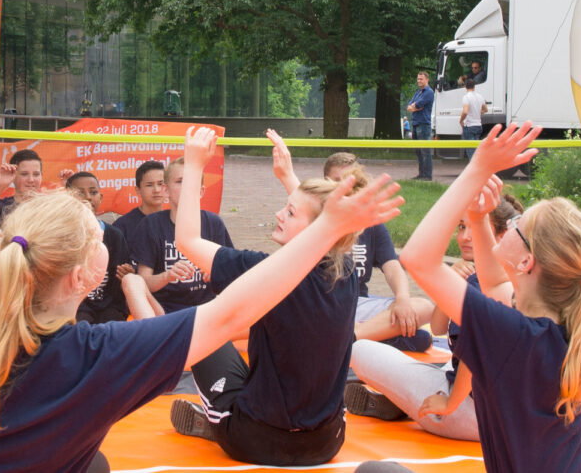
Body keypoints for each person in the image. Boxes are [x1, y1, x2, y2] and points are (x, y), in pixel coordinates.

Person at [0, 128, 402, 473]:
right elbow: (230, 313)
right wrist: (330, 228)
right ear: (86, 275)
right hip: (315, 435)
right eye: (97, 232)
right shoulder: (102, 357)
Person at [360, 122, 581, 472]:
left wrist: (477, 168)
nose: (512, 222)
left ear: (526, 262)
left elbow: (417, 258)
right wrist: (478, 219)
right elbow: (494, 283)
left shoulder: (514, 334)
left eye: (518, 225)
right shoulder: (553, 324)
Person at [165, 132, 403, 467]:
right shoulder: (346, 271)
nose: (279, 214)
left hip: (257, 441)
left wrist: (193, 166)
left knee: (204, 333)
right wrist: (288, 177)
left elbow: (188, 240)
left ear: (313, 227)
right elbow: (324, 225)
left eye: (290, 212)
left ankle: (219, 424)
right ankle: (225, 417)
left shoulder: (266, 271)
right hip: (327, 442)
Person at [347, 194, 524, 442]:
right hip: (516, 418)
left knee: (360, 350)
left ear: (502, 235)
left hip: (471, 415)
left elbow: (477, 354)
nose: (465, 237)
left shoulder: (489, 286)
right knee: (440, 349)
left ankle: (406, 403)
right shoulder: (523, 279)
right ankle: (404, 400)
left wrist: (450, 403)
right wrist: (452, 283)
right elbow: (439, 326)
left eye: (475, 228)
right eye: (461, 227)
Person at [267, 131, 431, 348]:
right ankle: (367, 337)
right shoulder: (318, 219)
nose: (343, 188)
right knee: (417, 339)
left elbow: (392, 266)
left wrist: (402, 298)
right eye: (336, 182)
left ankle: (352, 336)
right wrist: (286, 174)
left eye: (349, 183)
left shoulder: (370, 224)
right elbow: (302, 201)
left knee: (423, 308)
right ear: (325, 184)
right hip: (320, 307)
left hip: (357, 307)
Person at [121, 157, 233, 317]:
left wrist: (217, 274)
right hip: (164, 313)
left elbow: (232, 275)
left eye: (192, 182)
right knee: (131, 281)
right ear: (166, 190)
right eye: (180, 181)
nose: (187, 187)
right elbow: (145, 282)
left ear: (201, 191)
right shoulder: (151, 224)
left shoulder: (213, 223)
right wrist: (168, 275)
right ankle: (155, 331)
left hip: (206, 311)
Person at [67, 171, 133, 324]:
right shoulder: (63, 234)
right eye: (80, 193)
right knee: (81, 324)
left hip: (109, 305)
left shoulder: (114, 235)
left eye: (93, 192)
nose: (88, 197)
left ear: (101, 197)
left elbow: (119, 279)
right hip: (76, 305)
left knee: (112, 325)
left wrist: (128, 273)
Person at [0, 148, 44, 229]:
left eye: (36, 174)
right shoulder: (2, 206)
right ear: (13, 175)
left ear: (42, 176)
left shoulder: (49, 206)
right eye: (24, 174)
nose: (31, 180)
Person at [112, 159, 167, 244]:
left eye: (160, 184)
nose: (156, 190)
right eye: (149, 185)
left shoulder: (175, 222)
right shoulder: (122, 226)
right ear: (138, 190)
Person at [406, 71, 434, 181]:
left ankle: (427, 175)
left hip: (423, 125)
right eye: (418, 79)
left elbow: (417, 105)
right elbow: (409, 106)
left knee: (425, 151)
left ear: (427, 80)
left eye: (421, 79)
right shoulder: (418, 92)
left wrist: (415, 107)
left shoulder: (429, 92)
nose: (419, 81)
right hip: (415, 123)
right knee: (418, 152)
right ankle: (421, 174)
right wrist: (414, 107)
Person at [460, 78, 488, 160]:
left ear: (465, 86)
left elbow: (465, 111)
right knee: (476, 150)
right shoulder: (480, 96)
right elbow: (485, 110)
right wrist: (477, 112)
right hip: (478, 126)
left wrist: (461, 120)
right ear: (474, 86)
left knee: (471, 151)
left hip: (469, 126)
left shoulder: (466, 97)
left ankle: (473, 166)